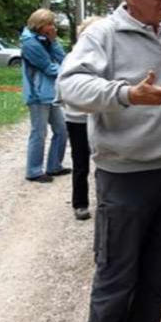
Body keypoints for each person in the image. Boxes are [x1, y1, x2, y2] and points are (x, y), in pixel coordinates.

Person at [57, 0, 161, 322]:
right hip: (125, 177)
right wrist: (128, 94)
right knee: (116, 279)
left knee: (156, 279)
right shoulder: (103, 35)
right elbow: (70, 87)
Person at [61, 16, 104, 220]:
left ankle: (105, 202)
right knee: (81, 163)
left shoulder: (106, 58)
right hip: (77, 119)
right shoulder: (72, 58)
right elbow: (62, 90)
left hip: (101, 118)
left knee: (104, 161)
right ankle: (80, 204)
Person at [21, 9, 69, 183]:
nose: (52, 27)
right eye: (49, 24)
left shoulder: (45, 40)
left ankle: (54, 166)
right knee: (39, 133)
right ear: (39, 25)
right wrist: (70, 73)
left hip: (51, 93)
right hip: (37, 94)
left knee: (62, 130)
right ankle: (33, 171)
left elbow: (62, 59)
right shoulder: (30, 44)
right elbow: (48, 68)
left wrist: (53, 40)